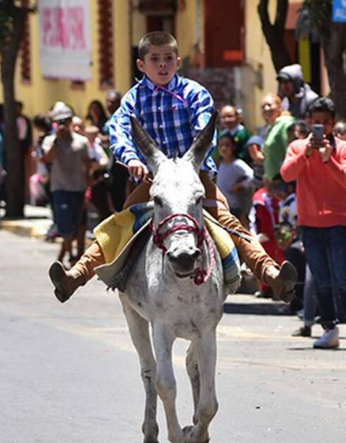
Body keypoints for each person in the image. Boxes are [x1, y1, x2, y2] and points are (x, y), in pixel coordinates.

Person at [48, 31, 297, 304]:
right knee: (119, 226)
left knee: (229, 223)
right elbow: (118, 131)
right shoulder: (132, 100)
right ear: (141, 65)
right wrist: (131, 159)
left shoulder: (194, 93)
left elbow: (205, 132)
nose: (162, 64)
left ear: (178, 61)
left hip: (195, 177)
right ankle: (75, 276)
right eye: (155, 59)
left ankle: (272, 274)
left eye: (168, 58)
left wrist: (192, 162)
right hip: (153, 182)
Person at [280, 97, 346, 349]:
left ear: (333, 123)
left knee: (343, 276)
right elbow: (287, 173)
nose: (320, 127)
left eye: (325, 123)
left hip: (336, 222)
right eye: (316, 122)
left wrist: (329, 159)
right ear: (309, 122)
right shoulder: (298, 146)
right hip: (309, 223)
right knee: (321, 279)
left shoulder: (345, 148)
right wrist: (306, 154)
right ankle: (329, 329)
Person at [41, 105, 92, 265]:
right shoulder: (50, 141)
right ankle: (67, 256)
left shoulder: (81, 141)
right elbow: (48, 158)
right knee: (64, 226)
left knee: (75, 226)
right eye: (59, 121)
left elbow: (87, 165)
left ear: (70, 121)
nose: (63, 124)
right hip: (60, 188)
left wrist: (88, 189)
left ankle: (67, 256)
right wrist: (57, 140)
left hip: (78, 188)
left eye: (66, 121)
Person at [216, 134, 254, 223]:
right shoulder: (221, 164)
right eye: (221, 145)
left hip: (234, 207)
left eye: (227, 145)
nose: (223, 148)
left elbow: (252, 177)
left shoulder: (237, 164)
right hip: (222, 206)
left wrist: (240, 185)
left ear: (234, 147)